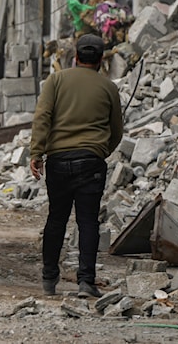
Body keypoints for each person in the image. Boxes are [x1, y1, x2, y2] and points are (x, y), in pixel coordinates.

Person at [30, 33, 123, 299]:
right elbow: (116, 130)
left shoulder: (56, 80)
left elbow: (42, 117)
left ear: (76, 56)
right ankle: (86, 282)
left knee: (56, 219)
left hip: (58, 161)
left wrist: (37, 152)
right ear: (101, 60)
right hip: (91, 162)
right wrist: (100, 150)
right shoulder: (109, 88)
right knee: (88, 222)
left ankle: (49, 278)